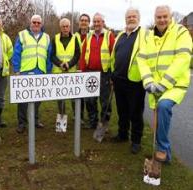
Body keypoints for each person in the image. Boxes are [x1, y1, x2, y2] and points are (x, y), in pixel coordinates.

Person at [137, 5, 192, 162]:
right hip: (154, 85)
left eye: (164, 16)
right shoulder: (148, 36)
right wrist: (148, 82)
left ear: (170, 16)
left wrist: (164, 84)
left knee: (164, 106)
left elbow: (182, 59)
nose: (161, 20)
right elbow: (142, 59)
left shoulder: (180, 32)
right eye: (158, 17)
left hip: (174, 85)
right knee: (156, 119)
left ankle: (162, 147)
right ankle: (166, 155)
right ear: (154, 18)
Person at [110, 8, 148, 154]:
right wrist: (113, 75)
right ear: (125, 19)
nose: (131, 19)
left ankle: (136, 141)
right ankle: (122, 134)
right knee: (122, 110)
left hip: (135, 82)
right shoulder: (120, 35)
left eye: (133, 16)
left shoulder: (144, 34)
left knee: (135, 113)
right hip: (119, 80)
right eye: (128, 17)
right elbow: (114, 55)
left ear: (138, 18)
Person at [12, 14, 52, 133]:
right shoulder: (22, 35)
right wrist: (17, 70)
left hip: (40, 71)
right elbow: (16, 53)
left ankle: (34, 120)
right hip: (25, 71)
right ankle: (22, 123)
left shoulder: (47, 37)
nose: (36, 24)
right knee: (23, 99)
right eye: (34, 22)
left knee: (38, 98)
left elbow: (49, 56)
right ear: (30, 23)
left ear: (41, 24)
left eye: (38, 23)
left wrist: (48, 72)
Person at [79, 13, 115, 131]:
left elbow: (114, 56)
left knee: (105, 102)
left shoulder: (109, 35)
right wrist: (82, 71)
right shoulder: (89, 36)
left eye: (98, 21)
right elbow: (83, 54)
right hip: (89, 73)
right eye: (94, 22)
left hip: (104, 73)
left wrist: (112, 75)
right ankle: (92, 121)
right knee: (90, 100)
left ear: (103, 22)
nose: (96, 24)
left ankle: (103, 125)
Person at [51, 18, 80, 116]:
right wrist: (60, 63)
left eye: (67, 26)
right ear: (60, 27)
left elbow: (77, 54)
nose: (65, 28)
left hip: (71, 71)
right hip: (58, 72)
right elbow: (52, 55)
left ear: (70, 27)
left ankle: (76, 116)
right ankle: (62, 116)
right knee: (60, 97)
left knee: (73, 96)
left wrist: (69, 64)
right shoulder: (55, 38)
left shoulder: (75, 38)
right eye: (63, 26)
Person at [74, 13, 91, 124]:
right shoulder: (74, 36)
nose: (84, 22)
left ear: (89, 23)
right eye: (82, 20)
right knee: (76, 95)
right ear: (79, 23)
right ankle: (78, 117)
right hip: (76, 68)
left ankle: (91, 118)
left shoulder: (92, 35)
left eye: (86, 20)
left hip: (88, 69)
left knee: (89, 96)